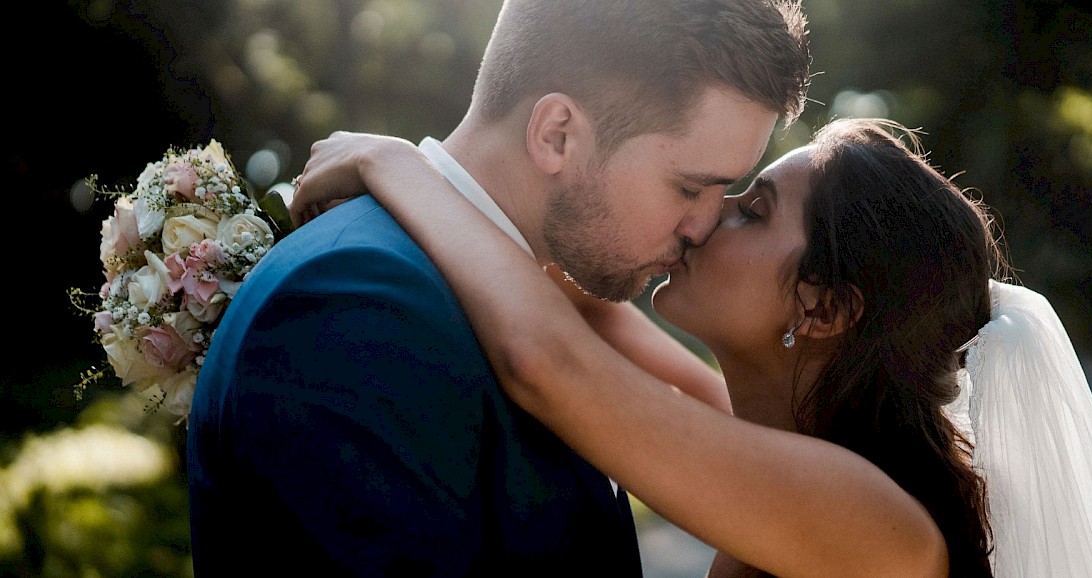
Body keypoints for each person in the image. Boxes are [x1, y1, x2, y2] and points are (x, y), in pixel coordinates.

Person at [289, 118, 1092, 577]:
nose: (707, 219)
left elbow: (549, 364)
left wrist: (395, 163)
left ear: (822, 306)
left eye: (750, 210)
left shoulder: (871, 520)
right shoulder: (779, 443)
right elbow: (584, 310)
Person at [186, 0, 810, 575]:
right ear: (556, 134)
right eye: (689, 186)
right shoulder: (357, 304)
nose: (704, 227)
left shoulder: (495, 292)